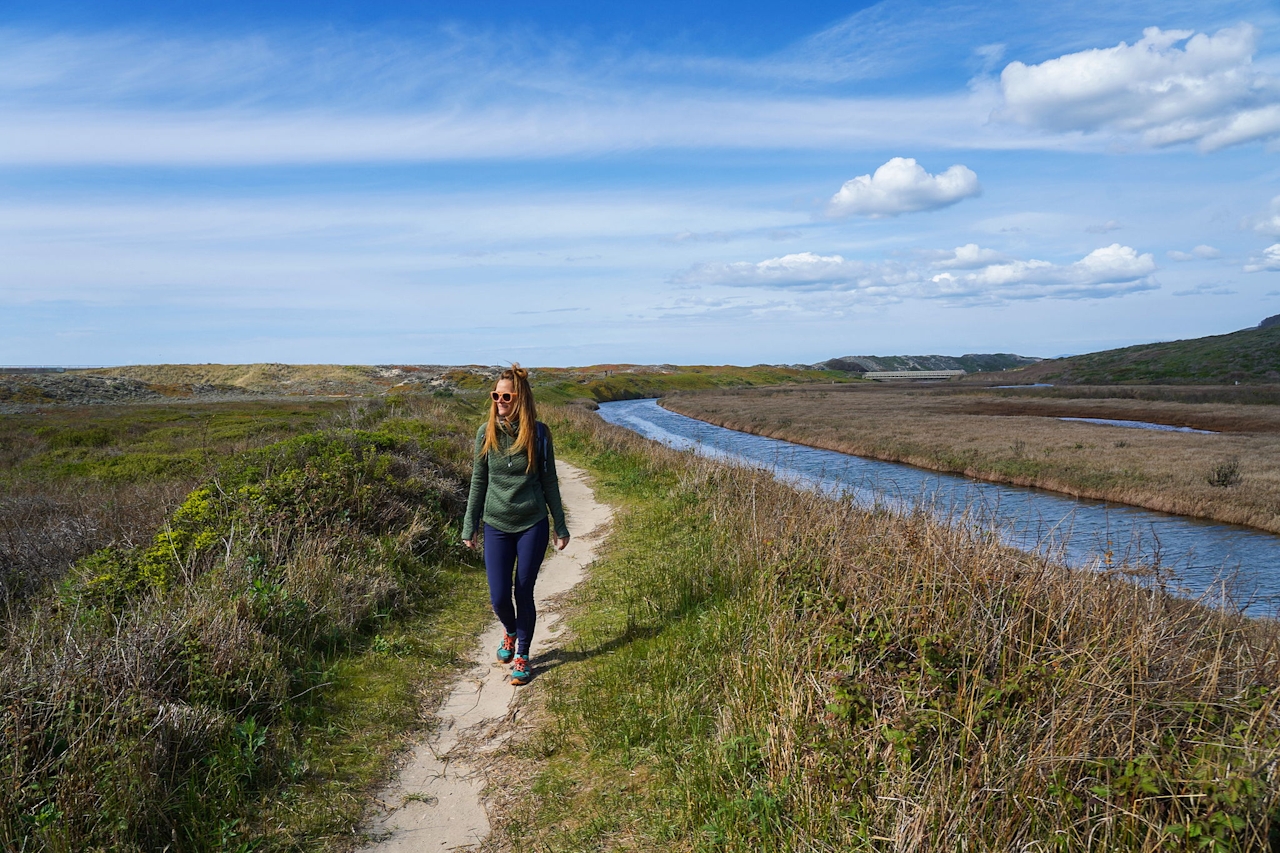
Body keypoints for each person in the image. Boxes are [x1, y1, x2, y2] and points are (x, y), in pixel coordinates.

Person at [461, 365, 569, 686]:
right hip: (496, 524)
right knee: (498, 596)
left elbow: (549, 481)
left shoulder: (538, 434)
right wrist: (471, 526)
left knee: (523, 591)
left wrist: (559, 526)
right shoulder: (486, 432)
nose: (500, 400)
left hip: (531, 524)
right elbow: (479, 481)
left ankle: (522, 654)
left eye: (506, 396)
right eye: (496, 395)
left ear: (520, 398)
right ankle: (509, 631)